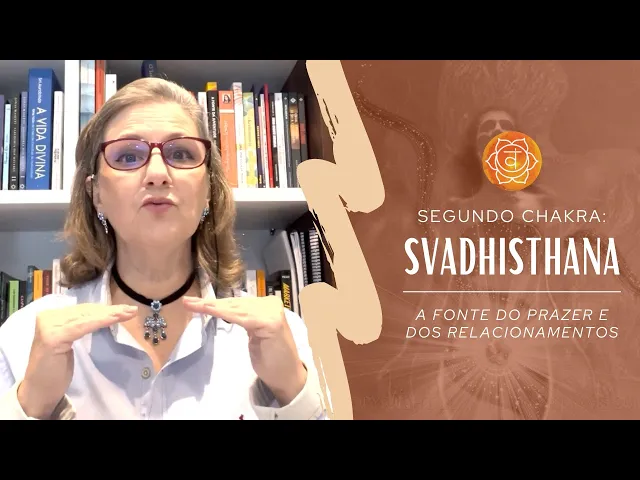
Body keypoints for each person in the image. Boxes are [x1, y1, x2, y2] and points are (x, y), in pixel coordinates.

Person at [0, 77, 327, 420]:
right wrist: (32, 404)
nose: (157, 174)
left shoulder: (284, 336)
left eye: (180, 154)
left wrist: (292, 393)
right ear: (96, 194)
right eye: (128, 156)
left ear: (209, 190)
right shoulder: (24, 338)